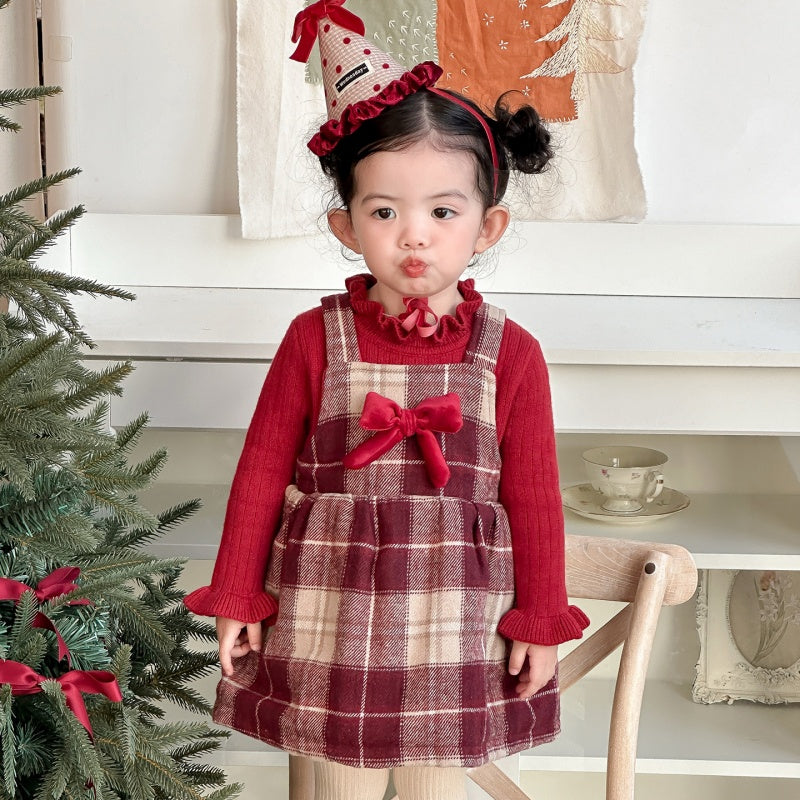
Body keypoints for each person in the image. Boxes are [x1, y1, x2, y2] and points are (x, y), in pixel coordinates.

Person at [186, 2, 589, 798]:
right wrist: (238, 593)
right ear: (346, 226)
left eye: (443, 211)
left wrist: (540, 618)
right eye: (384, 212)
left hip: (458, 625)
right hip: (328, 618)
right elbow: (260, 474)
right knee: (339, 786)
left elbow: (535, 497)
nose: (414, 235)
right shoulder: (313, 339)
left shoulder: (512, 352)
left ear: (487, 226)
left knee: (435, 788)